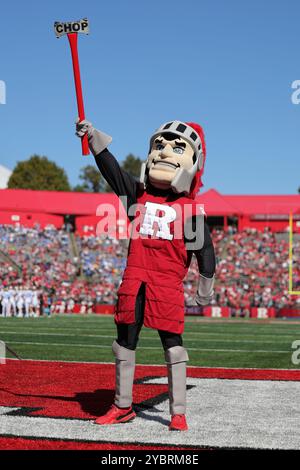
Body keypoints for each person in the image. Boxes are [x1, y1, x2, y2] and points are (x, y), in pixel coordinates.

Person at [76, 119, 216, 431]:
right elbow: (112, 172)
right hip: (135, 276)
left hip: (167, 281)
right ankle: (122, 406)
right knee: (125, 340)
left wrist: (205, 285)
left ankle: (177, 412)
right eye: (160, 145)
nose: (165, 153)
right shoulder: (137, 195)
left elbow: (205, 251)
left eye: (177, 147)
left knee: (173, 344)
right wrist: (94, 139)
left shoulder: (191, 209)